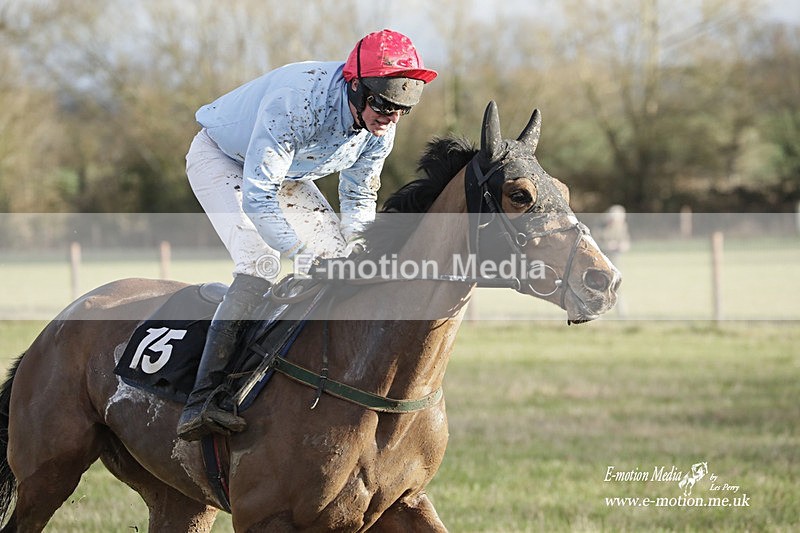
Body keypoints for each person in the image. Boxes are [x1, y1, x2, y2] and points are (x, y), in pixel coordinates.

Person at [177, 29, 437, 441]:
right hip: (224, 160)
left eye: (402, 109)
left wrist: (360, 248)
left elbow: (358, 192)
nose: (390, 119)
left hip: (290, 176)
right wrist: (297, 250)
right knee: (260, 261)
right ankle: (203, 399)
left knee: (338, 260)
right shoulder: (297, 102)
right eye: (384, 105)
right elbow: (259, 194)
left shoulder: (381, 125)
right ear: (356, 87)